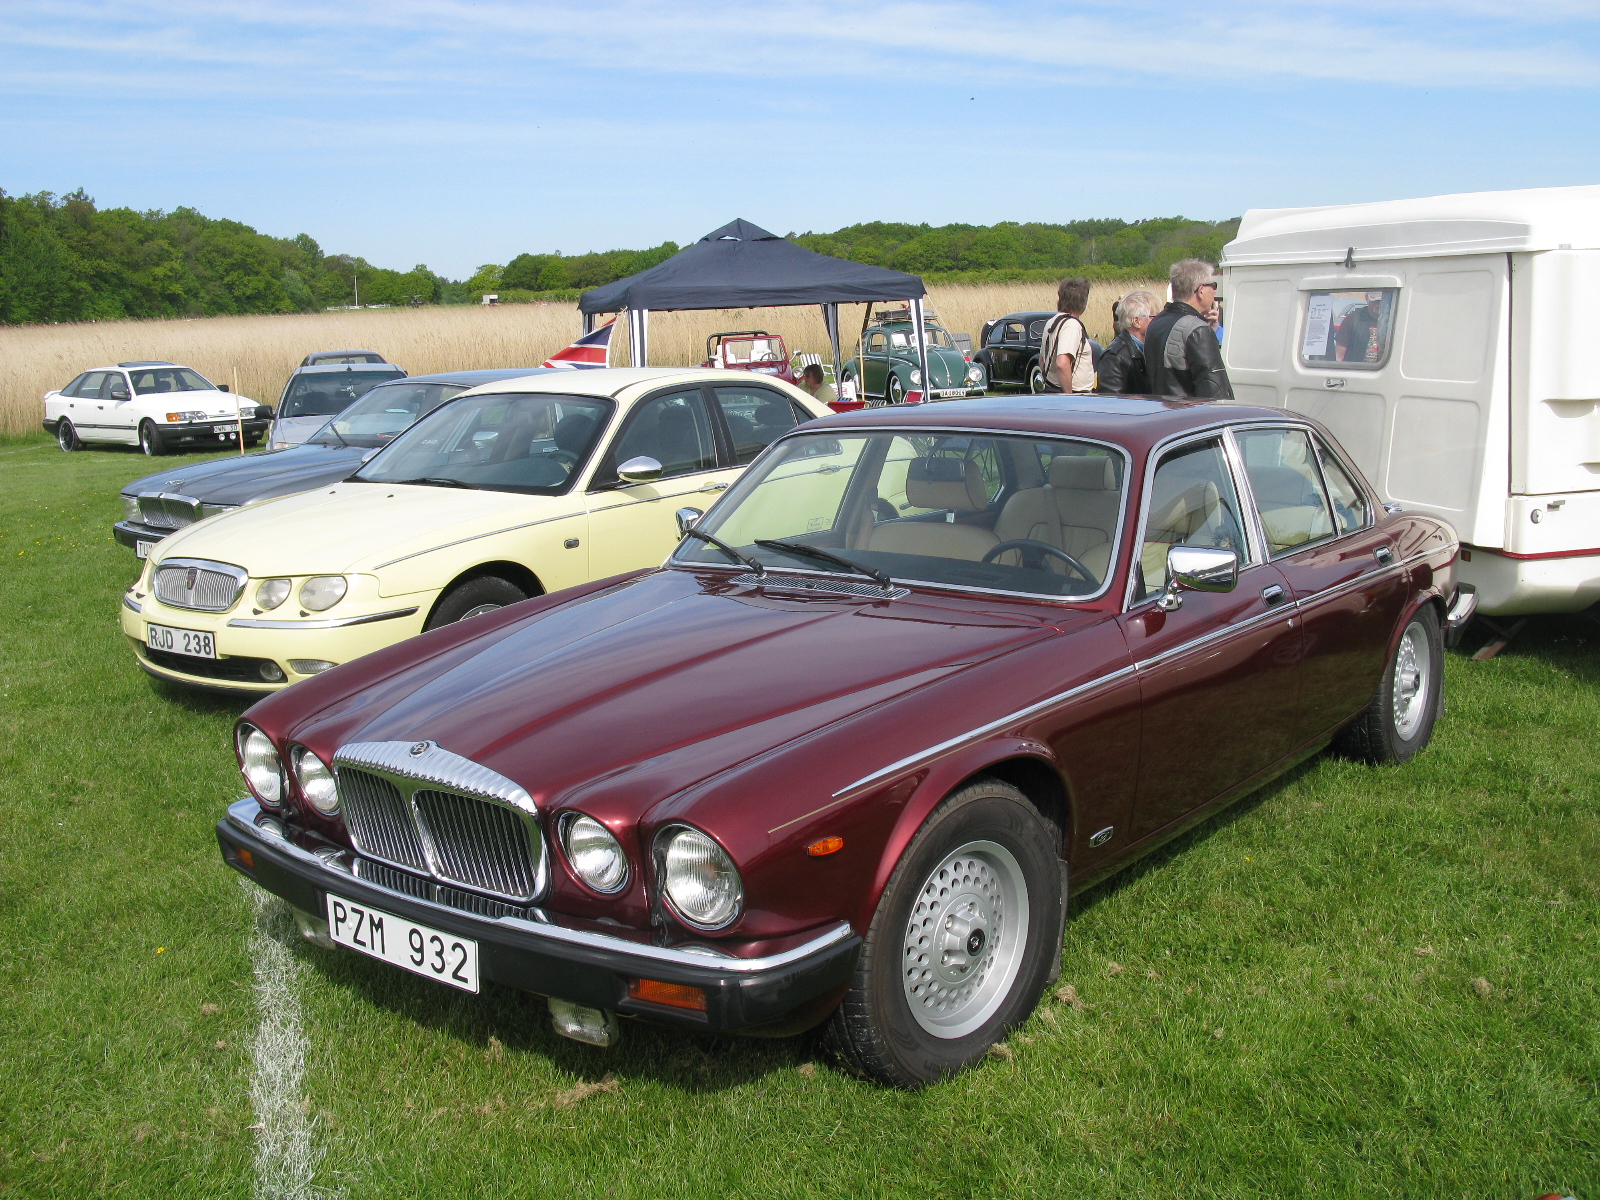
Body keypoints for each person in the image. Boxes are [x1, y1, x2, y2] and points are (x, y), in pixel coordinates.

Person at [1145, 259, 1234, 399]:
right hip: (1192, 415)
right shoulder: (1197, 330)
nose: (1215, 291)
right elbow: (1214, 390)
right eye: (1213, 285)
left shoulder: (1156, 322)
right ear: (1201, 291)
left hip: (1163, 411)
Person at [1038, 277, 1095, 393]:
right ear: (1083, 302)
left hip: (1051, 388)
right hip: (1073, 395)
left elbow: (1042, 361)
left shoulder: (1052, 322)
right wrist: (1069, 396)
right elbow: (1062, 363)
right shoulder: (1072, 325)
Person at [1096, 288, 1158, 394]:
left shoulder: (1151, 348)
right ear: (1136, 321)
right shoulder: (1114, 357)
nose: (1159, 321)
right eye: (1154, 317)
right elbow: (1112, 401)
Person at [1336, 292, 1385, 363]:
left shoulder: (1396, 320)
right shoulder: (1353, 319)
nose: (1379, 304)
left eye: (1382, 300)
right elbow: (1339, 356)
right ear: (1367, 299)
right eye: (1375, 301)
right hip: (1357, 372)